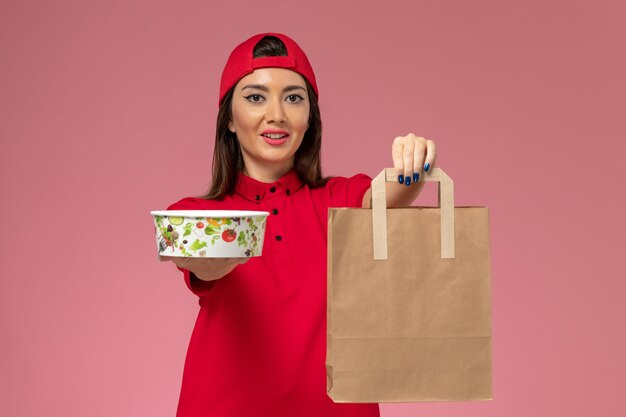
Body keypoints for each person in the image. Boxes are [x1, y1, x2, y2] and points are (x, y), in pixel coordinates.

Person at [160, 33, 436, 417]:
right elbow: (201, 260)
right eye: (256, 97)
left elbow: (385, 196)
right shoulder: (196, 213)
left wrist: (414, 166)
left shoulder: (339, 198)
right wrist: (215, 259)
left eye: (293, 97)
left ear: (310, 119)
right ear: (229, 122)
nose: (277, 114)